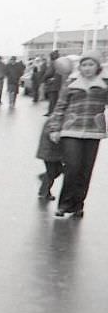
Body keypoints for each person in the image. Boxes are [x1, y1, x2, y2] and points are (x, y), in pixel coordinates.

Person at [48, 51, 108, 218]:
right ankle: (64, 204)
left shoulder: (104, 83)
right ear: (79, 67)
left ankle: (78, 205)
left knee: (85, 170)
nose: (87, 68)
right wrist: (55, 128)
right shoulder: (71, 82)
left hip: (93, 131)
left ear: (97, 67)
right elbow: (60, 106)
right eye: (84, 65)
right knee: (72, 167)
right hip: (71, 129)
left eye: (91, 65)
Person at [35, 117, 63, 201]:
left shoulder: (59, 119)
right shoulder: (54, 120)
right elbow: (51, 135)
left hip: (54, 152)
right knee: (52, 172)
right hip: (49, 152)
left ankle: (44, 178)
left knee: (57, 170)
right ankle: (44, 192)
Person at [43, 50, 63, 116]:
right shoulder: (60, 63)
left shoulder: (53, 63)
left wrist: (44, 78)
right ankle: (52, 112)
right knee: (55, 99)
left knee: (52, 99)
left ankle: (51, 112)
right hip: (58, 84)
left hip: (52, 84)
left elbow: (49, 73)